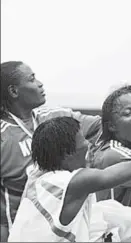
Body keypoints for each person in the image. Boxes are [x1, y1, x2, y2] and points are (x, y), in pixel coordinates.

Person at [8, 110, 131, 242]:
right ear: (66, 153)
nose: (88, 144)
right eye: (82, 140)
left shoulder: (40, 175)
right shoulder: (73, 183)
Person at [0, 61, 101, 241]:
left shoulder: (55, 117)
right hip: (23, 234)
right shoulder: (3, 138)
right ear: (14, 91)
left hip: (65, 231)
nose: (40, 83)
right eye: (32, 79)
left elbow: (110, 124)